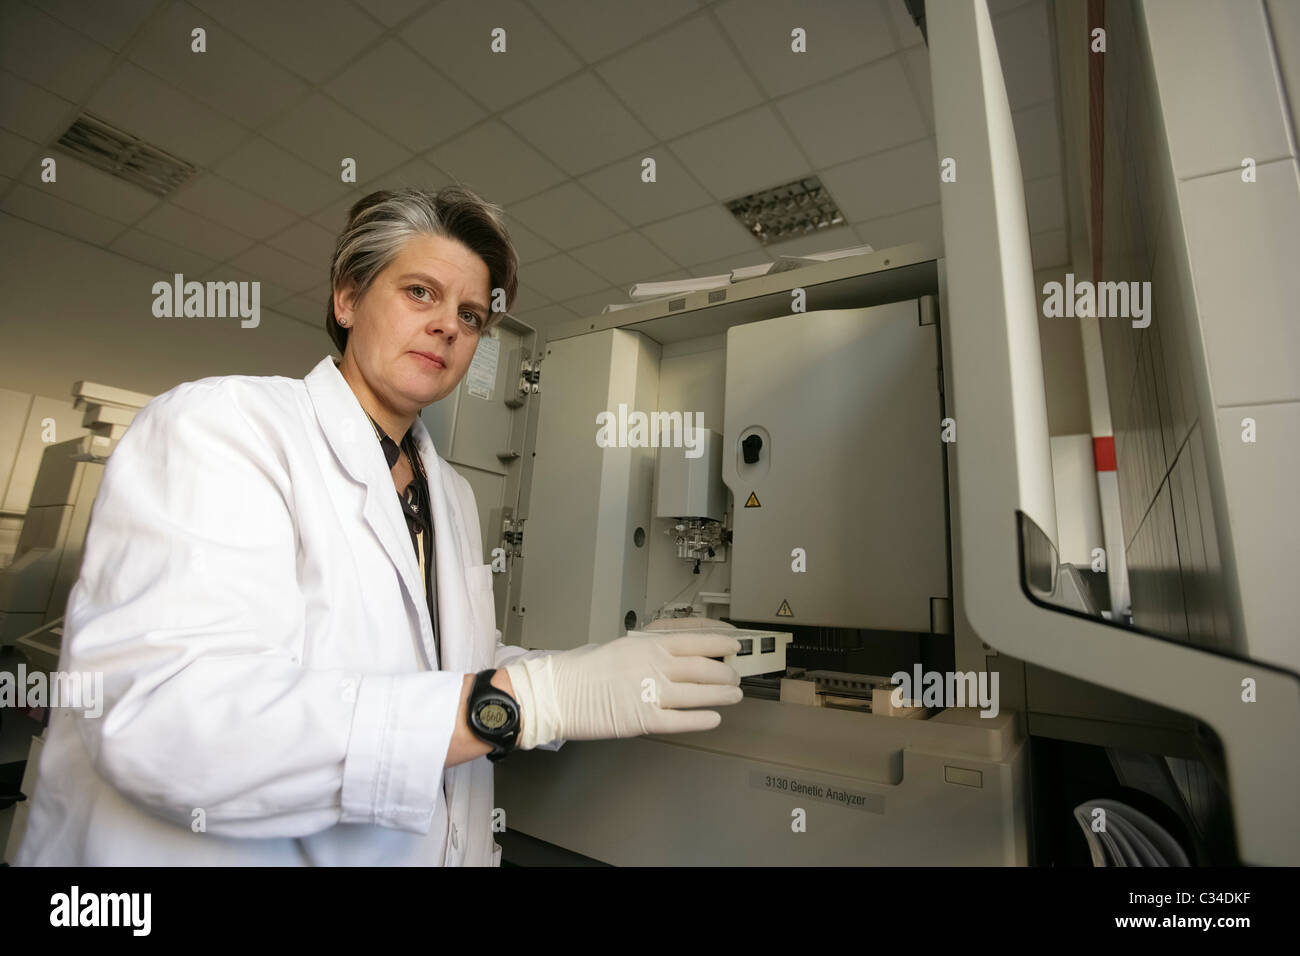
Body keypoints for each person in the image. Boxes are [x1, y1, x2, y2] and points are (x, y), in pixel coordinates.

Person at [16, 185, 742, 866]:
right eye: (420, 291)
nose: (446, 326)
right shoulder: (223, 429)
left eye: (470, 316)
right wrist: (531, 702)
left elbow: (447, 663)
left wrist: (600, 669)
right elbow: (172, 725)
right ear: (347, 297)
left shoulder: (448, 494)